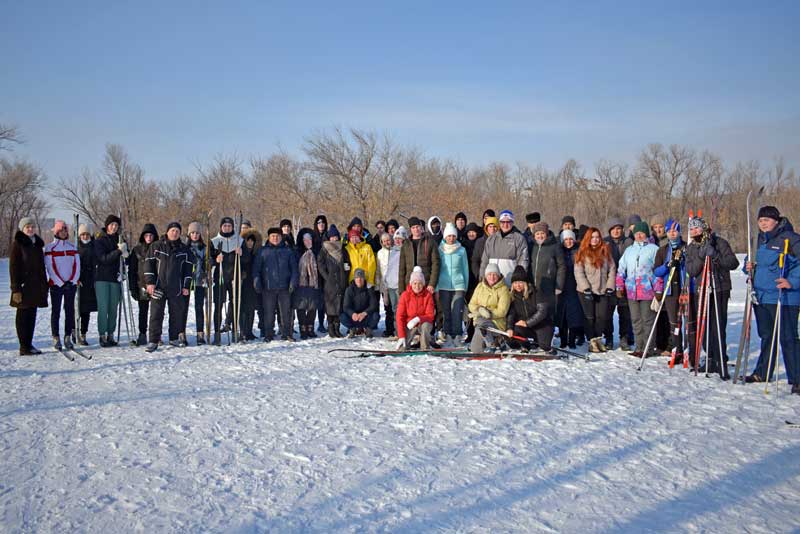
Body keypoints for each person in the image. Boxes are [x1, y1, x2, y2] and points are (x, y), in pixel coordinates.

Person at [744, 206, 800, 392]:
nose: (763, 224)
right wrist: (748, 266)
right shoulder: (758, 240)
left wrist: (791, 281)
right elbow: (748, 263)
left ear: (776, 220)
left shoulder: (790, 238)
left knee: (788, 338)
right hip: (762, 296)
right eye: (761, 221)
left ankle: (797, 378)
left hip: (784, 297)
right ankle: (763, 372)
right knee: (767, 336)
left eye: (767, 220)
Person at [683, 215, 738, 377]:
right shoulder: (691, 247)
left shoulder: (719, 243)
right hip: (703, 290)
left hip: (719, 288)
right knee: (705, 326)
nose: (694, 231)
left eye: (697, 228)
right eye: (691, 229)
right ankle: (711, 357)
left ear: (704, 228)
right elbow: (691, 271)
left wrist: (714, 255)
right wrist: (701, 256)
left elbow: (733, 263)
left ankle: (720, 360)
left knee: (718, 326)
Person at [143, 222, 193, 352]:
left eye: (177, 231)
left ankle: (173, 338)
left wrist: (186, 286)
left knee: (176, 313)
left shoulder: (184, 250)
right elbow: (148, 265)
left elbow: (188, 270)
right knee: (156, 314)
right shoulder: (156, 246)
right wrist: (150, 282)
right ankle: (153, 340)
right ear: (167, 231)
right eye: (172, 230)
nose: (174, 233)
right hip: (159, 287)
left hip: (176, 288)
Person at [616, 220, 659, 357]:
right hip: (631, 291)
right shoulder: (629, 250)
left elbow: (658, 271)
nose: (639, 236)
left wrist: (658, 289)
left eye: (642, 233)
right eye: (637, 233)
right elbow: (621, 269)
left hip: (647, 290)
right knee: (635, 320)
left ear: (646, 234)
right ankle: (639, 347)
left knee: (647, 320)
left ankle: (648, 347)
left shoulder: (653, 249)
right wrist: (619, 285)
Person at [652, 219, 690, 364]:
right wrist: (668, 265)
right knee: (674, 323)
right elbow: (656, 271)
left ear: (679, 232)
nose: (672, 234)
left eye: (675, 231)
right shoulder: (663, 250)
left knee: (687, 322)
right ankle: (677, 349)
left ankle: (688, 351)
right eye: (669, 231)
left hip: (685, 288)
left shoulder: (687, 247)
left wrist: (683, 261)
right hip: (670, 291)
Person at [252, 227, 299, 342]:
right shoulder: (263, 251)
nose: (275, 238)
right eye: (273, 236)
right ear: (269, 237)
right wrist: (257, 281)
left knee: (285, 313)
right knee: (268, 312)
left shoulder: (288, 251)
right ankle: (268, 334)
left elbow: (294, 269)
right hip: (268, 288)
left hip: (285, 287)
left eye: (277, 236)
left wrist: (293, 282)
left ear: (281, 237)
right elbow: (256, 269)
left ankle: (287, 333)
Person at [10, 217, 48, 355]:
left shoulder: (37, 245)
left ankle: (29, 344)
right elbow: (13, 267)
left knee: (32, 315)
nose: (30, 229)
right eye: (27, 227)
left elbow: (41, 267)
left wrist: (44, 285)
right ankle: (23, 346)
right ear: (22, 229)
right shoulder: (18, 244)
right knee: (22, 315)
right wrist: (15, 289)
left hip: (35, 286)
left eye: (32, 226)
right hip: (23, 286)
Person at [574, 227, 616, 353]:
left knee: (601, 317)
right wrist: (585, 288)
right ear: (588, 238)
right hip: (586, 290)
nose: (595, 239)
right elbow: (578, 272)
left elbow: (612, 269)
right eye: (592, 237)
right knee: (589, 317)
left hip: (602, 289)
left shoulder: (605, 252)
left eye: (597, 237)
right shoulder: (582, 252)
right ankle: (592, 341)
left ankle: (598, 339)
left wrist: (610, 286)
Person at [45, 219, 80, 350]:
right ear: (56, 232)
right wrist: (60, 282)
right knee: (56, 310)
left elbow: (77, 266)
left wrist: (72, 280)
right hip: (56, 285)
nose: (64, 232)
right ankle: (56, 336)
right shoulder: (50, 248)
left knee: (70, 310)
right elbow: (50, 267)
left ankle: (67, 336)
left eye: (65, 230)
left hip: (70, 285)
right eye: (61, 230)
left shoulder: (72, 247)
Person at [94, 214, 126, 347]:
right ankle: (102, 334)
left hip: (115, 278)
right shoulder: (100, 240)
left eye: (116, 225)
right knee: (103, 307)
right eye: (112, 225)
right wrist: (118, 251)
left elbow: (125, 256)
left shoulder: (120, 240)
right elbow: (103, 258)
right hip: (102, 278)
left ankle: (111, 334)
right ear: (107, 226)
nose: (114, 227)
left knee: (113, 308)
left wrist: (125, 252)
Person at [506, 265, 554, 353]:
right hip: (526, 327)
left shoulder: (536, 292)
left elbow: (542, 312)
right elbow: (511, 314)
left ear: (525, 283)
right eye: (515, 283)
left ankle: (542, 342)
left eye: (520, 282)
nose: (518, 285)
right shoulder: (513, 296)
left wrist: (527, 323)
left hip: (542, 325)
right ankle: (526, 346)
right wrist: (509, 328)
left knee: (544, 346)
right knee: (516, 329)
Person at [210, 217, 242, 345]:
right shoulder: (214, 241)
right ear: (221, 227)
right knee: (218, 304)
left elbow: (246, 261)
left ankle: (235, 331)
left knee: (235, 304)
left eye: (229, 226)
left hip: (235, 277)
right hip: (220, 277)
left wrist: (241, 253)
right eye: (225, 226)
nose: (227, 228)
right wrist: (215, 260)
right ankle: (217, 334)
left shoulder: (239, 241)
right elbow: (209, 260)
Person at [437, 222, 469, 346]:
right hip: (443, 284)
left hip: (458, 285)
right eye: (449, 236)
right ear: (445, 237)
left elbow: (465, 268)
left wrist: (464, 286)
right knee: (446, 311)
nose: (451, 238)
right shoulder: (440, 250)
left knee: (457, 311)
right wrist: (436, 287)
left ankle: (457, 334)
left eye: (453, 236)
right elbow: (437, 268)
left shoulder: (461, 250)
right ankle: (447, 333)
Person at [604, 217, 633, 350]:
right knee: (608, 314)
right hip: (609, 283)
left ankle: (624, 338)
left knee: (625, 313)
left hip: (625, 283)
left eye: (619, 228)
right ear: (610, 230)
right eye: (613, 229)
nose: (616, 231)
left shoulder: (628, 242)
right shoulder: (604, 242)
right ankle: (609, 338)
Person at [468, 263, 511, 353]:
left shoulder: (504, 289)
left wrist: (488, 313)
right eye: (489, 274)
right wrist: (480, 309)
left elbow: (502, 311)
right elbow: (471, 304)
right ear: (486, 275)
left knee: (480, 321)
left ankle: (493, 342)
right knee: (475, 350)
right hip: (480, 324)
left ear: (498, 276)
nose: (492, 277)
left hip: (495, 323)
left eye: (494, 274)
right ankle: (497, 341)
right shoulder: (480, 286)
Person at [479, 209, 529, 287]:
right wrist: (482, 279)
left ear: (512, 222)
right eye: (503, 222)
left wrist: (519, 281)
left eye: (508, 222)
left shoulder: (519, 239)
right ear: (499, 223)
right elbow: (484, 262)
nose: (505, 224)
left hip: (510, 284)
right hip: (492, 284)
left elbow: (523, 262)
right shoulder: (491, 239)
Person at [529, 221, 566, 323]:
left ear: (546, 233)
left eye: (542, 233)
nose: (540, 236)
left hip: (549, 285)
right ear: (534, 235)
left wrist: (559, 285)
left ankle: (549, 333)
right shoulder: (532, 246)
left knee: (548, 312)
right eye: (537, 234)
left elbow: (561, 266)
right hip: (534, 286)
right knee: (536, 312)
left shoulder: (554, 246)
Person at [128, 223, 158, 347]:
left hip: (157, 284)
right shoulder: (137, 250)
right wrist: (132, 288)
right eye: (146, 235)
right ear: (143, 236)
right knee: (143, 311)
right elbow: (131, 270)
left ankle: (156, 335)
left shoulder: (159, 248)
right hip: (142, 284)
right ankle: (142, 334)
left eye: (151, 235)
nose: (149, 237)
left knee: (156, 312)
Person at [395, 266, 436, 349]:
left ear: (423, 284)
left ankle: (425, 347)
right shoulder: (405, 295)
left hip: (423, 324)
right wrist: (401, 336)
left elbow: (430, 315)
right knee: (402, 348)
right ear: (411, 283)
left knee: (426, 326)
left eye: (420, 283)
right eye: (415, 283)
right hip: (409, 325)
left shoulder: (428, 295)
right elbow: (399, 317)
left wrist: (418, 319)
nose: (417, 286)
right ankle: (405, 343)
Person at [317, 225, 347, 337]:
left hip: (341, 280)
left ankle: (337, 328)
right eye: (332, 237)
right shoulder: (324, 248)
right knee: (330, 305)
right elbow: (320, 264)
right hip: (329, 282)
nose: (334, 239)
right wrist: (326, 276)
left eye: (336, 237)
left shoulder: (342, 248)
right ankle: (330, 328)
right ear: (329, 238)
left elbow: (347, 262)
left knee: (339, 305)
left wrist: (345, 273)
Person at [556, 230, 583, 349]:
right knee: (562, 315)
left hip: (574, 285)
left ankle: (571, 340)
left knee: (573, 315)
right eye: (566, 239)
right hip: (561, 285)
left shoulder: (579, 251)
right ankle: (563, 340)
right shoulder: (558, 251)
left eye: (570, 239)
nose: (568, 242)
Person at [398, 216, 440, 293]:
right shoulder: (406, 244)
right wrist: (401, 289)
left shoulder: (430, 242)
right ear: (410, 229)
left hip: (426, 284)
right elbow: (402, 268)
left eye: (417, 227)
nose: (416, 229)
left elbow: (436, 264)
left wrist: (432, 284)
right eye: (413, 227)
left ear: (421, 227)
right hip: (410, 284)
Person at [293, 229, 321, 339]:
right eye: (305, 240)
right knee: (301, 307)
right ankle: (303, 329)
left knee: (312, 307)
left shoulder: (316, 251)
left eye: (309, 239)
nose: (308, 242)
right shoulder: (297, 252)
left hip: (314, 283)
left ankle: (310, 328)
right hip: (301, 283)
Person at [375, 230, 402, 337]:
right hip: (385, 285)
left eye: (388, 240)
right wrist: (378, 284)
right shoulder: (380, 253)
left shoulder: (396, 250)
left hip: (395, 284)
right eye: (384, 241)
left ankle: (398, 330)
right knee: (388, 308)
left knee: (397, 308)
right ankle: (389, 329)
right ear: (382, 242)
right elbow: (378, 270)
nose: (387, 242)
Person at [185, 221, 208, 345]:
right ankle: (181, 333)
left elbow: (209, 262)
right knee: (183, 308)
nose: (195, 235)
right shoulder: (185, 248)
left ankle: (200, 333)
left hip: (200, 281)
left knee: (199, 307)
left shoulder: (204, 248)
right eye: (192, 233)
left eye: (197, 233)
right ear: (189, 234)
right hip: (186, 282)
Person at [341, 268, 380, 337]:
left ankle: (368, 329)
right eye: (357, 277)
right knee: (342, 316)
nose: (359, 280)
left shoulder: (369, 289)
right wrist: (352, 314)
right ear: (354, 279)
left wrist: (364, 313)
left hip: (365, 317)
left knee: (376, 315)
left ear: (364, 278)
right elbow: (346, 306)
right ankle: (352, 329)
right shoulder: (349, 289)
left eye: (361, 277)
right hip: (354, 318)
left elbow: (374, 305)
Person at [239, 227, 262, 341]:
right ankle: (242, 331)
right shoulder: (240, 252)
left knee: (251, 308)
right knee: (243, 308)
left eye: (252, 241)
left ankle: (249, 331)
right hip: (243, 283)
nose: (250, 243)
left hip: (252, 283)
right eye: (248, 241)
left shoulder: (256, 253)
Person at [76, 223, 97, 345]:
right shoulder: (75, 247)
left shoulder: (94, 246)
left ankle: (83, 333)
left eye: (87, 234)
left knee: (86, 310)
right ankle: (74, 331)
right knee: (76, 309)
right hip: (78, 280)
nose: (85, 236)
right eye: (83, 234)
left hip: (90, 281)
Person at [312, 214, 329, 333]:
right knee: (319, 299)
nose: (321, 224)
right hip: (316, 272)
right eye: (318, 222)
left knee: (327, 298)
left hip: (328, 271)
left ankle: (330, 322)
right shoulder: (313, 237)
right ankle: (320, 322)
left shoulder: (328, 236)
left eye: (323, 222)